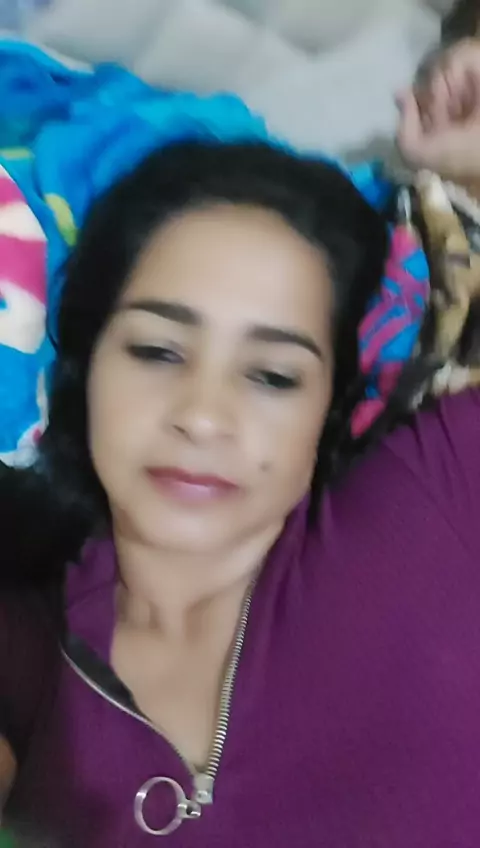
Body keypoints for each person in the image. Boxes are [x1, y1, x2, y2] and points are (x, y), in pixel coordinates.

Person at [1, 38, 480, 847]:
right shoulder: (25, 642)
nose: (204, 416)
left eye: (273, 376)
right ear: (86, 366)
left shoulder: (435, 495)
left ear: (333, 403)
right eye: (158, 352)